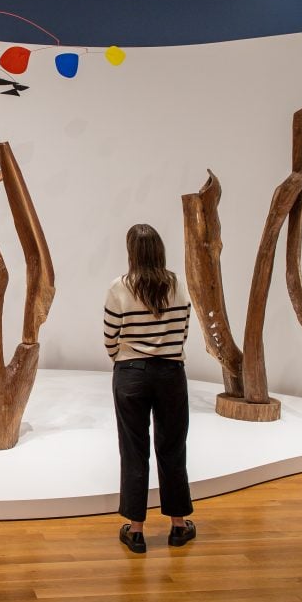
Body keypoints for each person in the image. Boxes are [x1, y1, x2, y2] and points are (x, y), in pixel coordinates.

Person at [104, 223, 195, 554]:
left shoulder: (119, 287)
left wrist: (125, 358)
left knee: (133, 450)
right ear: (159, 250)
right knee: (172, 449)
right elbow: (184, 327)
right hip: (171, 373)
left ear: (132, 252)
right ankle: (178, 525)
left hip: (131, 374)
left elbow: (110, 335)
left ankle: (137, 530)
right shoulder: (177, 284)